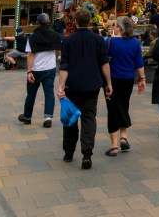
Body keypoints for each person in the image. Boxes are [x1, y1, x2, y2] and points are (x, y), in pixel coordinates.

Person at [57, 9, 112, 170]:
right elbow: (104, 63)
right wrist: (108, 83)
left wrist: (61, 86)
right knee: (89, 118)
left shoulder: (68, 40)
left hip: (72, 84)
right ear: (89, 22)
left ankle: (68, 152)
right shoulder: (98, 39)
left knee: (71, 117)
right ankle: (87, 154)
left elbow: (64, 65)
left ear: (74, 22)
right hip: (92, 84)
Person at [105, 16, 145, 156]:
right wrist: (143, 78)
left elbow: (103, 62)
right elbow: (139, 62)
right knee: (123, 105)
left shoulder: (109, 42)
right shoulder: (134, 42)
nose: (114, 27)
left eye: (115, 25)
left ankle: (114, 145)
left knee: (112, 109)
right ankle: (123, 136)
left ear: (120, 28)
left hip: (112, 79)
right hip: (128, 79)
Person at [18, 13, 62, 128]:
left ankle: (27, 117)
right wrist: (55, 58)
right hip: (50, 69)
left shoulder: (33, 36)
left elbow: (31, 55)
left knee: (31, 94)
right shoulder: (55, 35)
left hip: (36, 70)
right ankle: (48, 118)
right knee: (49, 93)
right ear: (49, 22)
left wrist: (29, 71)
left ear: (37, 23)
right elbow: (58, 51)